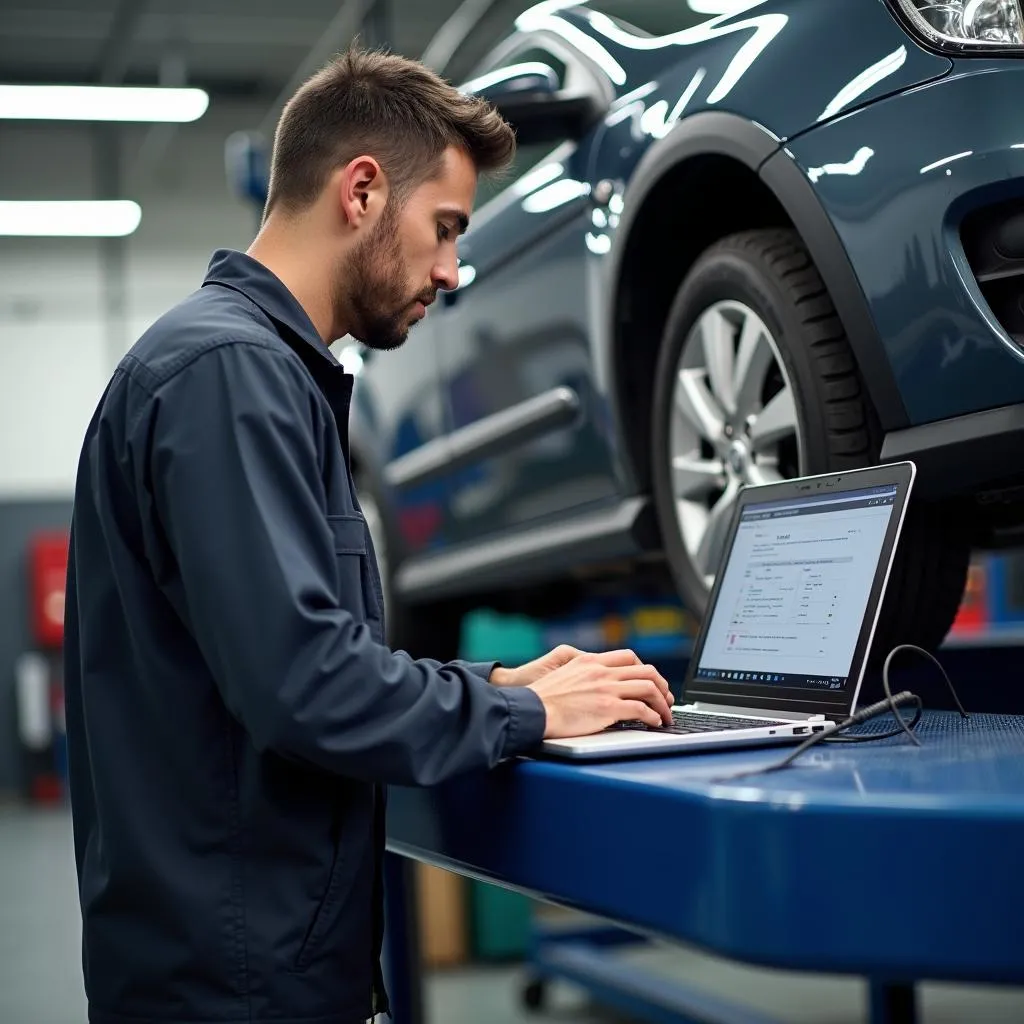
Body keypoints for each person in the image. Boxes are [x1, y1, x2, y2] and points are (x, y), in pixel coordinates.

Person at [63, 45, 673, 1024]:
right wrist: (524, 714)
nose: (452, 269)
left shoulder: (248, 372)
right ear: (359, 192)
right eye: (443, 228)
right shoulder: (229, 375)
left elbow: (291, 657)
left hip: (243, 966)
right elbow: (304, 684)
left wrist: (488, 686)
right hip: (237, 989)